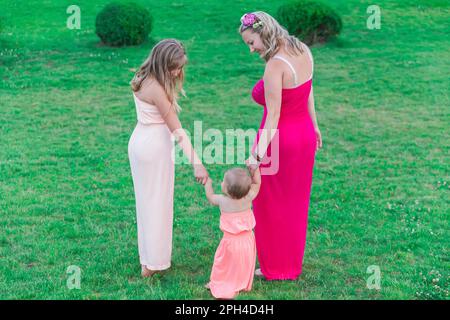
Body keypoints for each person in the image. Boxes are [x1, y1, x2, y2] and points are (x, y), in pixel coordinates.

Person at [240, 12, 322, 280]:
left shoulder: (275, 66)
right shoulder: (303, 49)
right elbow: (309, 90)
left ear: (264, 33)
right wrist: (315, 126)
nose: (252, 50)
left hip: (281, 142)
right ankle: (290, 265)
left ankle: (275, 267)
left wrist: (255, 156)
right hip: (304, 137)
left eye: (252, 42)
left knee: (270, 203)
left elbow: (273, 116)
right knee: (295, 203)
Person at [128, 39, 209, 277]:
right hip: (153, 148)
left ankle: (148, 258)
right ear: (164, 64)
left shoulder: (142, 76)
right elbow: (177, 129)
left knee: (146, 202)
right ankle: (151, 263)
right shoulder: (157, 89)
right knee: (157, 204)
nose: (179, 72)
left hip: (140, 142)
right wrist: (198, 163)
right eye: (176, 67)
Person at [204, 166, 261, 299]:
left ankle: (218, 282)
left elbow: (211, 197)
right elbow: (257, 183)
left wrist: (208, 184)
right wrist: (255, 169)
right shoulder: (248, 197)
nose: (221, 182)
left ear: (227, 189)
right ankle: (240, 282)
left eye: (223, 181)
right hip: (248, 239)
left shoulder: (222, 201)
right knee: (242, 263)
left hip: (230, 241)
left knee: (223, 263)